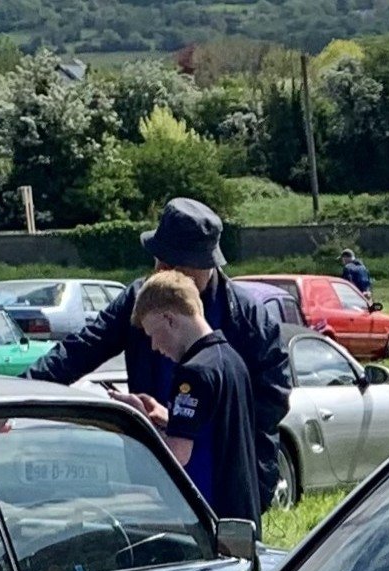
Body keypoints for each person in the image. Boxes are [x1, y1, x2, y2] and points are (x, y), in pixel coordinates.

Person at [27, 198, 291, 504]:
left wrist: (190, 426)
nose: (158, 270)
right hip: (157, 475)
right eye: (157, 260)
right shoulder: (142, 299)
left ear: (200, 266)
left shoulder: (248, 319)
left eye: (168, 263)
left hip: (226, 482)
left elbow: (271, 401)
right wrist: (18, 393)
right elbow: (80, 349)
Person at [123, 270, 261, 525]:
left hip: (209, 515)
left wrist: (139, 421)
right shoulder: (231, 359)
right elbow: (215, 426)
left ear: (170, 319)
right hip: (241, 511)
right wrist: (167, 417)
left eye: (153, 334)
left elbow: (177, 455)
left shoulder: (192, 373)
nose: (154, 346)